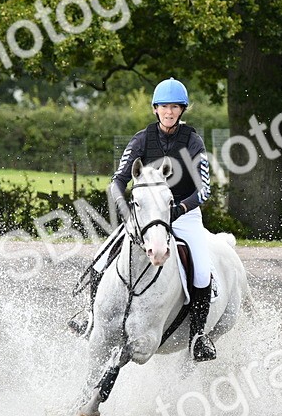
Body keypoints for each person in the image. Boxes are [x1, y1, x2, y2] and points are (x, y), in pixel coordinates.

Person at [70, 78, 217, 361]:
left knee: (200, 271)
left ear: (182, 110)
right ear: (155, 109)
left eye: (175, 107)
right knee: (102, 261)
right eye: (164, 107)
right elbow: (117, 183)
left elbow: (205, 190)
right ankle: (91, 317)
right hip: (145, 215)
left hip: (183, 216)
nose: (169, 112)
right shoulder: (141, 139)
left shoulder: (192, 141)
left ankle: (198, 336)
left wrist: (180, 209)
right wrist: (127, 215)